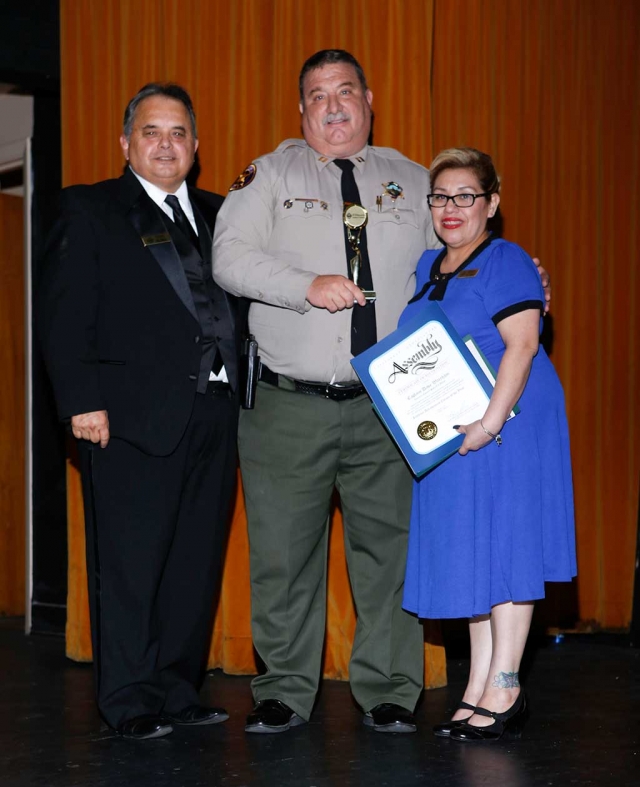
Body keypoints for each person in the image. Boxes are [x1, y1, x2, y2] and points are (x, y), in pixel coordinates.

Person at [213, 50, 550, 734]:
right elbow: (229, 258)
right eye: (316, 95)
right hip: (288, 402)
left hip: (392, 408)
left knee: (391, 551)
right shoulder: (268, 175)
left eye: (344, 92)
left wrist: (521, 273)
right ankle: (282, 690)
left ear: (368, 99)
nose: (332, 106)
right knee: (282, 553)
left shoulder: (411, 179)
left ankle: (392, 689)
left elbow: (464, 251)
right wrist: (302, 287)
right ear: (300, 108)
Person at [38, 83, 244, 740]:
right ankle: (127, 699)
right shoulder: (90, 208)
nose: (166, 144)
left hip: (216, 415)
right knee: (129, 566)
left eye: (179, 132)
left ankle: (177, 691)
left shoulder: (224, 217)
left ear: (196, 146)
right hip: (125, 420)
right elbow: (64, 315)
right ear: (126, 143)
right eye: (151, 131)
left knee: (193, 564)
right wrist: (81, 403)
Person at [400, 147, 576, 742]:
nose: (452, 208)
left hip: (508, 421)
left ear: (491, 204)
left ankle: (506, 684)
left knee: (508, 549)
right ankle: (476, 687)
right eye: (441, 197)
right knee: (477, 555)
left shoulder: (506, 260)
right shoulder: (429, 264)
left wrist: (490, 423)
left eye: (465, 196)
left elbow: (522, 346)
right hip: (457, 431)